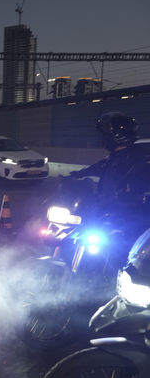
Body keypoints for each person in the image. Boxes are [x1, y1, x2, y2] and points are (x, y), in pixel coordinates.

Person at [68, 112, 150, 266]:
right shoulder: (113, 158)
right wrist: (74, 176)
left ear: (117, 136)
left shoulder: (141, 158)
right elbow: (95, 170)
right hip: (107, 212)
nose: (103, 138)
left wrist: (135, 199)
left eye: (106, 134)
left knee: (129, 254)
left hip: (131, 217)